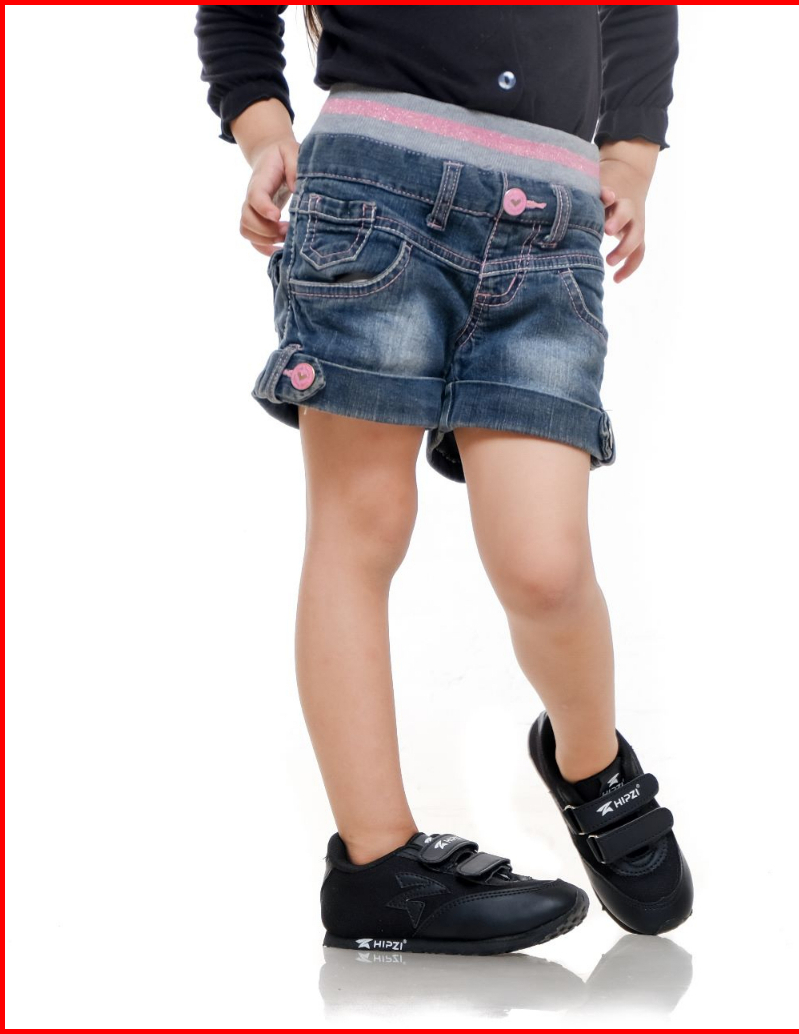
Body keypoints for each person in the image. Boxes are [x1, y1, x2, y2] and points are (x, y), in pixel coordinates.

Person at [195, 5, 693, 955]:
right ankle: (378, 864)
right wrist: (264, 132)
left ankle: (589, 763)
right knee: (361, 524)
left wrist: (630, 160)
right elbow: (236, 13)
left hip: (551, 228)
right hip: (369, 198)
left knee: (545, 567)